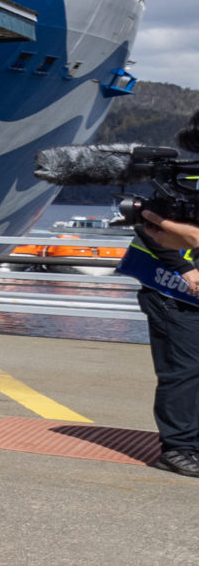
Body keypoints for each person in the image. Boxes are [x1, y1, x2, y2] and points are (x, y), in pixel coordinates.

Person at [119, 122, 199, 476]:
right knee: (183, 372)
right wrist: (185, 269)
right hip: (172, 288)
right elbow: (146, 222)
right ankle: (177, 449)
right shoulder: (187, 180)